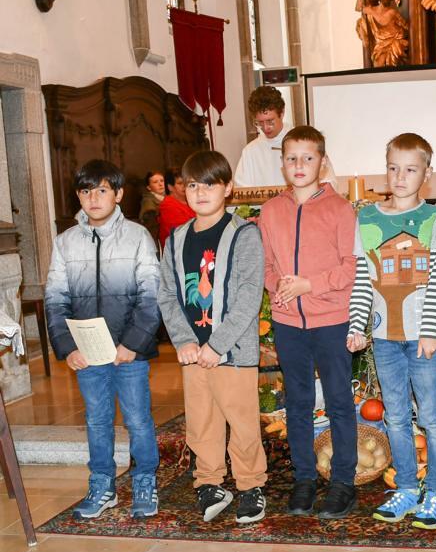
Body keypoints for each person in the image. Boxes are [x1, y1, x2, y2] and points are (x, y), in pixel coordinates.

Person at [45, 159, 161, 519]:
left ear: (118, 194)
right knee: (96, 419)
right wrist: (68, 347)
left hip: (130, 351)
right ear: (78, 196)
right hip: (88, 351)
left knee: (137, 419)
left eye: (102, 190)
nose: (93, 198)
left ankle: (144, 479)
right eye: (86, 191)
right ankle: (102, 484)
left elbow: (151, 297)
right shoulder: (65, 243)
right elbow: (55, 299)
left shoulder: (138, 237)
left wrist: (132, 344)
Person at [347, 133, 436, 529]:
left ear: (427, 174)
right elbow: (363, 279)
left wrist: (432, 330)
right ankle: (407, 486)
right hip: (384, 338)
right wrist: (357, 325)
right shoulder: (367, 218)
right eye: (393, 168)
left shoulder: (434, 218)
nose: (400, 176)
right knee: (395, 416)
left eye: (410, 169)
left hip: (423, 338)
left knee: (432, 416)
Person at [157, 150, 268, 524]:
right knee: (201, 420)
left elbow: (250, 294)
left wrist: (217, 344)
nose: (201, 192)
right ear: (183, 191)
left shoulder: (244, 234)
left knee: (242, 420)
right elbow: (167, 293)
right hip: (193, 351)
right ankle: (209, 483)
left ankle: (250, 485)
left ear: (228, 188)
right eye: (192, 185)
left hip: (232, 351)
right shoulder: (176, 239)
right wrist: (185, 341)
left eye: (209, 184)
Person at [259, 125, 360, 519]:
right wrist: (279, 287)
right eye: (291, 158)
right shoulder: (271, 211)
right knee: (298, 402)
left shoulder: (340, 209)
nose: (299, 165)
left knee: (338, 401)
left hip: (331, 319)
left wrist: (309, 285)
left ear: (323, 162)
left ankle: (343, 482)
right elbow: (267, 265)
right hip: (288, 322)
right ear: (282, 164)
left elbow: (351, 267)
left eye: (307, 157)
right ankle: (304, 478)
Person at [234, 86, 290, 188]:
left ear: (282, 113)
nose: (265, 127)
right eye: (260, 122)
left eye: (270, 121)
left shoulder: (301, 142)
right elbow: (241, 189)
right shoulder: (250, 151)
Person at [158, 167, 195, 248]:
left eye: (186, 182)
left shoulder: (191, 200)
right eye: (180, 183)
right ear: (170, 187)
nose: (184, 186)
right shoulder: (167, 206)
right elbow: (182, 233)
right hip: (177, 248)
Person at [139, 170, 166, 241]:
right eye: (155, 182)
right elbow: (151, 225)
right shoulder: (147, 201)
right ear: (149, 187)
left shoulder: (171, 196)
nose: (160, 184)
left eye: (162, 181)